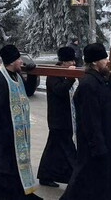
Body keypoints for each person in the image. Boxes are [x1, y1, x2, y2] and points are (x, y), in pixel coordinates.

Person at [61, 43, 111, 200]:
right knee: (84, 185)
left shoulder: (99, 80)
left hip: (108, 142)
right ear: (94, 62)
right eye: (103, 58)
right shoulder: (88, 84)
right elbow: (90, 120)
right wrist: (98, 147)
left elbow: (110, 103)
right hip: (97, 146)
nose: (107, 61)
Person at [0, 45, 41, 200]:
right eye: (18, 59)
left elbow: (27, 92)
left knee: (8, 165)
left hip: (18, 131)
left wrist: (32, 75)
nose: (21, 62)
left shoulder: (16, 76)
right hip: (5, 132)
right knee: (4, 166)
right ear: (11, 61)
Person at [37, 47, 78, 188]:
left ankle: (45, 175)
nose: (73, 63)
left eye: (74, 60)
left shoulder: (64, 73)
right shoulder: (54, 74)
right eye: (70, 60)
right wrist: (71, 79)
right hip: (58, 119)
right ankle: (77, 177)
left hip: (65, 118)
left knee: (53, 149)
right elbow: (60, 91)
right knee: (68, 150)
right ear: (63, 61)